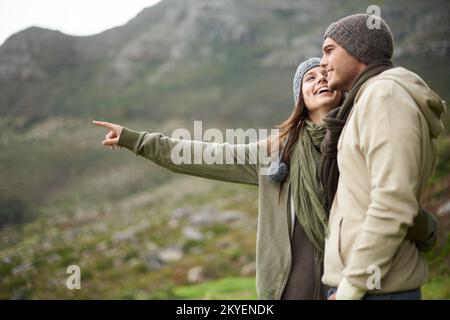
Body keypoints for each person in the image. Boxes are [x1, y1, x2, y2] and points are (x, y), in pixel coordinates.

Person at [93, 57, 434, 300]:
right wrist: (134, 139)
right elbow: (199, 155)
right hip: (289, 288)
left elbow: (391, 200)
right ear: (300, 98)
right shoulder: (276, 151)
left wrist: (427, 230)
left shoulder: (359, 140)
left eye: (324, 75)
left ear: (343, 91)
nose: (319, 80)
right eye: (309, 78)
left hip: (349, 281)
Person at [319, 14, 446, 300]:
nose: (323, 63)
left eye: (329, 50)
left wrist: (353, 286)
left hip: (377, 291)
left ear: (359, 50)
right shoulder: (369, 98)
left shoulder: (384, 96)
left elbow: (393, 200)